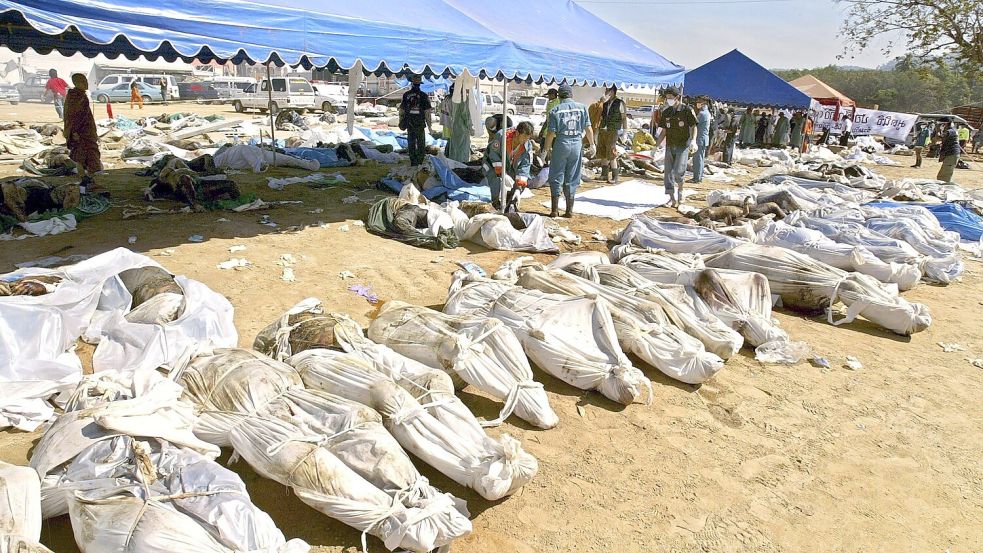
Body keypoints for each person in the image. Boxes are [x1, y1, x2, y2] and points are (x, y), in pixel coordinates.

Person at [543, 85, 594, 218]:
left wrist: (545, 150)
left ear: (559, 96)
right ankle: (569, 211)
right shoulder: (582, 108)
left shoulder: (555, 110)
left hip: (561, 144)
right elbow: (588, 129)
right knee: (572, 176)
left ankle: (554, 210)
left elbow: (550, 133)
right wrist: (593, 144)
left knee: (556, 174)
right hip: (577, 144)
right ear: (571, 95)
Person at [654, 87, 696, 208]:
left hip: (683, 145)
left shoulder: (687, 110)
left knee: (679, 171)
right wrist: (655, 147)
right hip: (670, 145)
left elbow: (694, 126)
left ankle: (681, 194)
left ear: (677, 97)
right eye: (667, 98)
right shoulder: (666, 112)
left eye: (671, 98)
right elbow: (663, 131)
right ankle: (671, 198)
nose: (668, 100)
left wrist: (694, 140)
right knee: (668, 173)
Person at [481, 121, 535, 211]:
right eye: (524, 137)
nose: (525, 140)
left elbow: (525, 166)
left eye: (528, 138)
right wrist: (502, 174)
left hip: (510, 167)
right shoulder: (502, 136)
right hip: (492, 164)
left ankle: (511, 203)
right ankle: (496, 203)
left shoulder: (527, 145)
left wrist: (518, 188)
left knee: (518, 182)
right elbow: (494, 156)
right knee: (497, 181)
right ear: (517, 133)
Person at [63, 74, 102, 191]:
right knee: (84, 156)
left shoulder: (77, 95)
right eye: (83, 81)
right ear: (76, 82)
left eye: (86, 80)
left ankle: (87, 180)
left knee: (86, 156)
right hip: (81, 133)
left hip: (86, 132)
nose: (86, 83)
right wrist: (74, 132)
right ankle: (85, 180)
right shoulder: (76, 97)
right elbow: (74, 116)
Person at [398, 75, 433, 166]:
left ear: (411, 84)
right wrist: (430, 127)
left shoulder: (406, 95)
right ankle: (419, 162)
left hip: (410, 122)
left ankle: (413, 162)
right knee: (421, 143)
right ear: (420, 84)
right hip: (420, 122)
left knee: (411, 143)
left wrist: (401, 121)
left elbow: (402, 110)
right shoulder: (423, 95)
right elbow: (427, 113)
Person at [597, 85, 627, 183]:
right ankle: (604, 174)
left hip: (613, 130)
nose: (606, 92)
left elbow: (624, 118)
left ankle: (615, 177)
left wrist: (625, 132)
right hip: (603, 129)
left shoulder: (620, 103)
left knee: (611, 152)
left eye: (608, 90)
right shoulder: (605, 104)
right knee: (602, 151)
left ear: (613, 91)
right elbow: (599, 115)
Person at [689, 96, 711, 184]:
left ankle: (696, 178)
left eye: (699, 101)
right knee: (700, 159)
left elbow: (694, 124)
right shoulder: (706, 112)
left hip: (699, 139)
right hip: (703, 138)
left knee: (697, 160)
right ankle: (698, 177)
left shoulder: (702, 114)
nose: (697, 103)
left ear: (704, 103)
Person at [936, 117, 960, 183]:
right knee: (944, 173)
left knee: (944, 176)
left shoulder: (951, 131)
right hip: (949, 154)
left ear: (945, 124)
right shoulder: (951, 130)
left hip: (952, 154)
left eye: (941, 124)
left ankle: (944, 189)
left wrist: (938, 131)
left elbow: (942, 136)